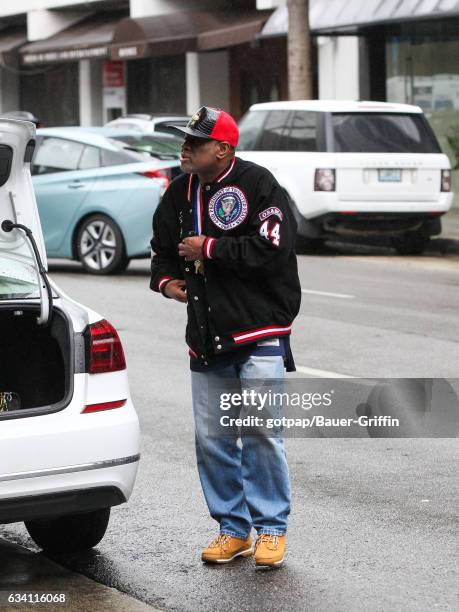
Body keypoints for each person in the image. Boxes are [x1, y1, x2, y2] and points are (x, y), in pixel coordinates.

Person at [150, 106, 301, 567]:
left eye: (195, 142)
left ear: (223, 148)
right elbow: (161, 252)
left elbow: (271, 248)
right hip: (206, 336)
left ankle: (271, 528)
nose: (185, 148)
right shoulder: (177, 193)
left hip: (260, 331)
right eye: (185, 141)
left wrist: (209, 248)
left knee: (259, 432)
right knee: (213, 438)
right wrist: (166, 282)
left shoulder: (259, 185)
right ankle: (232, 529)